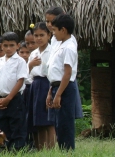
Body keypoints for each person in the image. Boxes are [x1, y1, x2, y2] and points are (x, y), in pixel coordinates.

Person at [46, 14, 78, 151]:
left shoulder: (69, 47)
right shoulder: (60, 44)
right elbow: (55, 73)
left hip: (64, 88)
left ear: (63, 30)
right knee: (58, 123)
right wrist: (50, 92)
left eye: (55, 30)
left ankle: (68, 151)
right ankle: (62, 150)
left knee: (65, 123)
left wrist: (58, 94)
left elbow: (67, 73)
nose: (53, 34)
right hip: (56, 86)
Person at [0, 32, 27, 151]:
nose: (8, 48)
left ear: (17, 46)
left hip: (14, 99)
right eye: (5, 45)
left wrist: (8, 99)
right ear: (1, 46)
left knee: (16, 125)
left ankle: (17, 150)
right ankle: (5, 151)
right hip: (0, 100)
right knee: (3, 127)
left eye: (11, 45)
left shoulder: (20, 61)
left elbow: (20, 81)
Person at [28, 22, 55, 149]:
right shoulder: (33, 54)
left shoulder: (52, 52)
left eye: (42, 35)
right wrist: (30, 65)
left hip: (47, 84)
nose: (38, 38)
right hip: (35, 85)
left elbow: (53, 72)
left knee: (48, 120)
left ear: (49, 35)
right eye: (36, 35)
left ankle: (50, 148)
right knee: (37, 120)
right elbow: (27, 74)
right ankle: (39, 148)